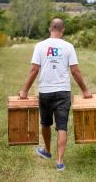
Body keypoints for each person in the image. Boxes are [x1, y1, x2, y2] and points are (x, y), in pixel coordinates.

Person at [18, 18, 92, 171]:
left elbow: (34, 70)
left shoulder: (40, 46)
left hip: (45, 91)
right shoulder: (69, 47)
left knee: (45, 123)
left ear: (49, 29)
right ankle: (59, 162)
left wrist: (24, 90)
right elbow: (75, 71)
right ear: (62, 29)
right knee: (62, 126)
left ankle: (47, 151)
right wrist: (85, 90)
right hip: (63, 92)